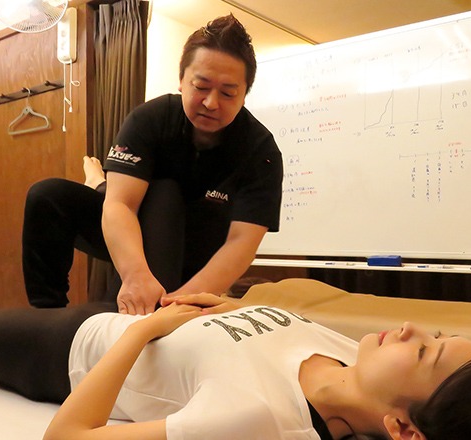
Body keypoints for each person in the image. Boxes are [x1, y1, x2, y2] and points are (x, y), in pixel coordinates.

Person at [0, 294, 471, 440]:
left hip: (69, 351)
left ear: (404, 427)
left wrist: (146, 330)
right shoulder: (349, 355)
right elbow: (266, 326)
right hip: (123, 319)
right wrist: (230, 306)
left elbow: (67, 437)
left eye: (425, 352)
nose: (410, 329)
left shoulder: (260, 420)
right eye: (435, 334)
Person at [22, 14, 283, 315]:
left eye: (227, 93)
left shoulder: (260, 151)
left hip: (197, 249)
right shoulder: (150, 119)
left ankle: (98, 181)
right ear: (182, 81)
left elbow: (241, 244)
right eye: (201, 86)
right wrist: (135, 276)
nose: (211, 103)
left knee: (165, 194)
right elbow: (120, 205)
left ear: (244, 95)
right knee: (47, 196)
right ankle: (47, 315)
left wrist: (182, 301)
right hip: (134, 228)